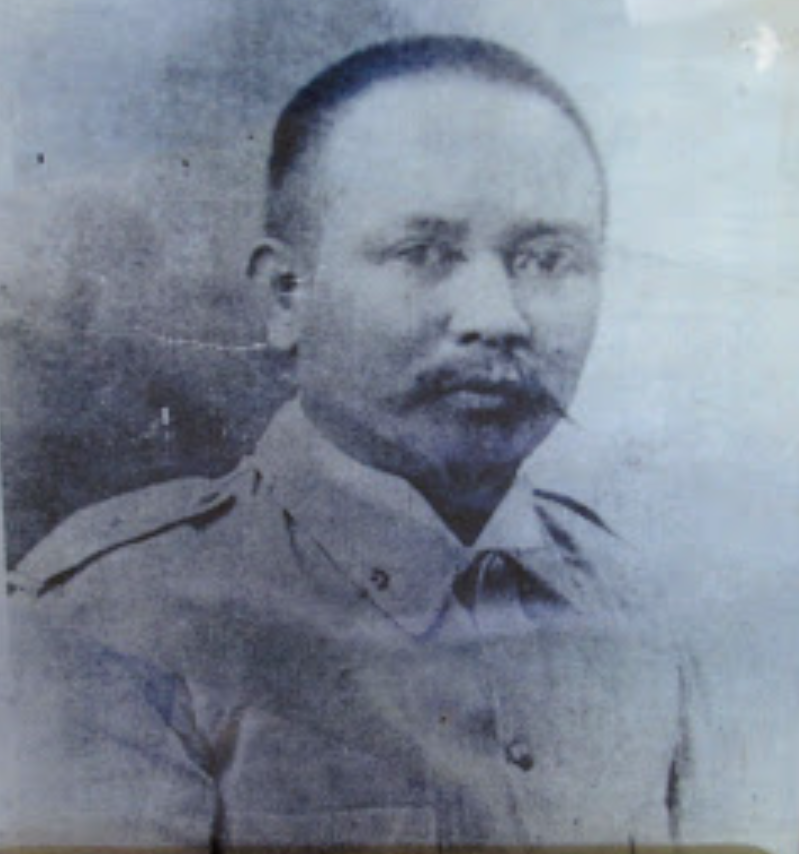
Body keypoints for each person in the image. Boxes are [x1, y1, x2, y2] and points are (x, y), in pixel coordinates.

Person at [10, 36, 695, 851]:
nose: (497, 317)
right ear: (287, 296)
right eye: (423, 253)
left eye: (547, 260)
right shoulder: (119, 615)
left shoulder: (636, 614)